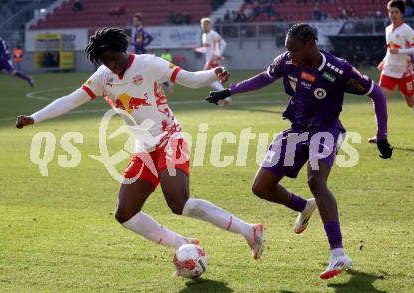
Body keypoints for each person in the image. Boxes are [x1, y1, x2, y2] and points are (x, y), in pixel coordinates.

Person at [15, 28, 264, 272]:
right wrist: (34, 118)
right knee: (125, 213)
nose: (111, 64)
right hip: (143, 149)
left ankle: (248, 230)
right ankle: (183, 244)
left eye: (114, 57)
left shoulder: (147, 64)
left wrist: (213, 74)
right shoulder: (103, 77)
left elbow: (188, 78)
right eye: (105, 61)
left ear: (123, 50)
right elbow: (70, 100)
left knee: (178, 203)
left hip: (169, 139)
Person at [206, 23, 393, 279]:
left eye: (293, 49)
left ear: (310, 44)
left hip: (325, 130)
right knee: (261, 187)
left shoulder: (339, 69)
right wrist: (230, 90)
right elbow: (264, 77)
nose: (289, 55)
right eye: (287, 50)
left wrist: (382, 135)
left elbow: (377, 94)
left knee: (316, 180)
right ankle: (304, 206)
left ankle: (338, 253)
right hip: (297, 130)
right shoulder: (288, 61)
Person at [371, 0, 414, 142]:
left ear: (401, 13)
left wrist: (400, 51)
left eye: (396, 12)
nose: (393, 14)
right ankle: (380, 135)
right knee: (378, 100)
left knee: (410, 102)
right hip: (389, 70)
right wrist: (384, 60)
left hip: (404, 72)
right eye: (391, 12)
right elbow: (390, 49)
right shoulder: (388, 29)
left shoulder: (407, 30)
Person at [195, 17, 231, 106]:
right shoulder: (204, 35)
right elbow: (208, 49)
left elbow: (223, 43)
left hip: (213, 60)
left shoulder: (213, 34)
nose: (204, 26)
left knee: (208, 79)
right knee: (211, 80)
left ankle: (225, 97)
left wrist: (218, 55)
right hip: (208, 60)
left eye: (206, 24)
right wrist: (199, 49)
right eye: (203, 24)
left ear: (210, 25)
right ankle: (224, 97)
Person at [0, 28, 33, 94]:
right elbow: (3, 47)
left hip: (5, 60)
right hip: (1, 60)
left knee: (13, 73)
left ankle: (29, 79)